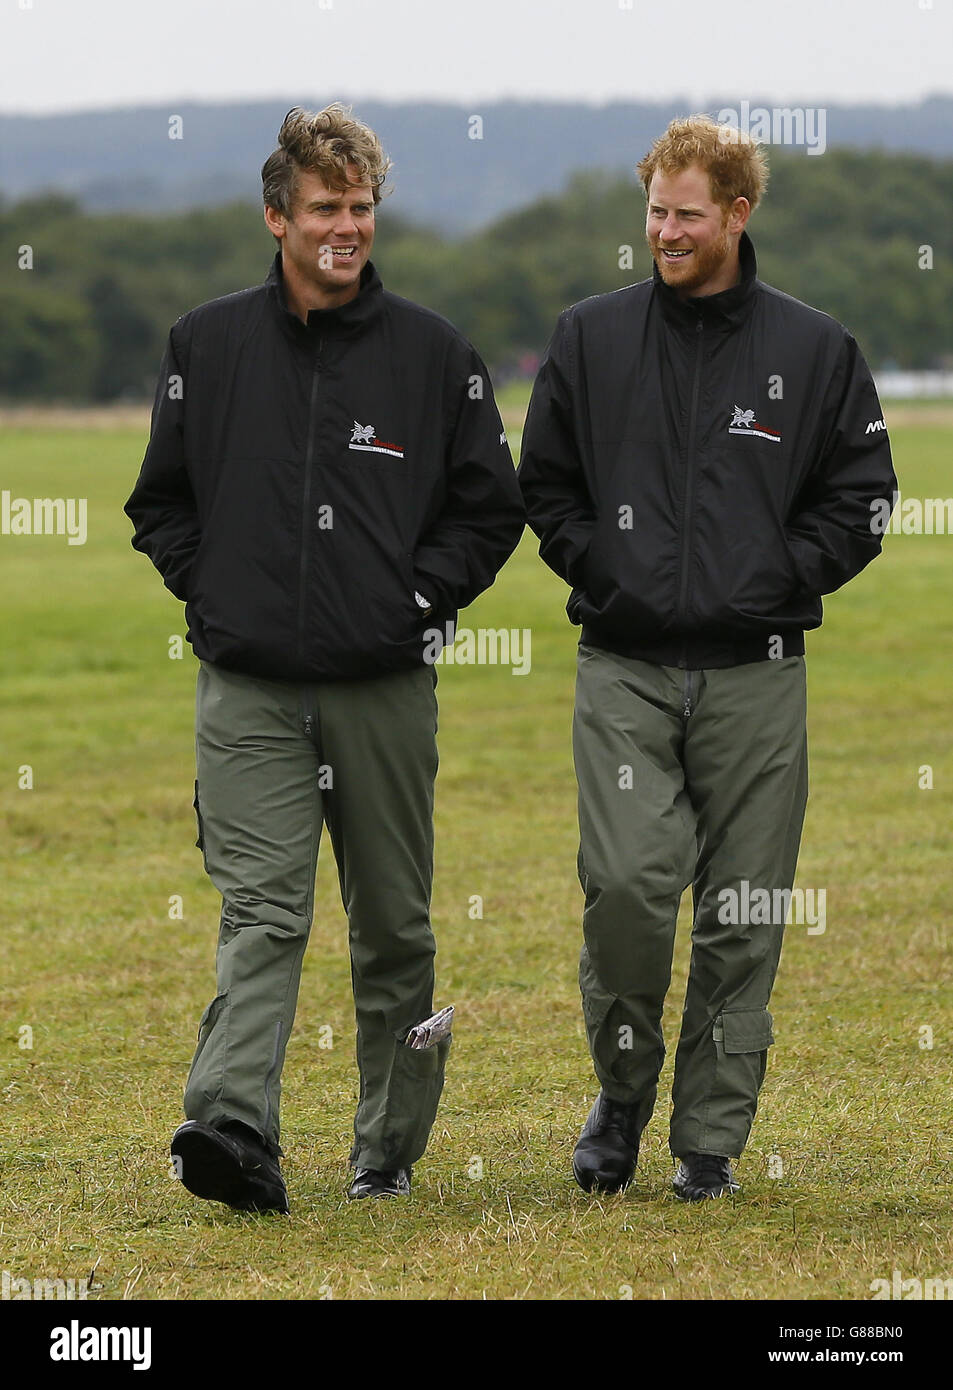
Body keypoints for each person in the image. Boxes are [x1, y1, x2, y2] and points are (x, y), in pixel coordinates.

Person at [125, 104, 524, 1211]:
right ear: (275, 216)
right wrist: (215, 593)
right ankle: (232, 1128)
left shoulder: (435, 353)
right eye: (323, 208)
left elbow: (489, 510)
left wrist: (411, 597)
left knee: (394, 922)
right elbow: (159, 503)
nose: (345, 226)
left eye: (361, 207)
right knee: (264, 910)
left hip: (383, 688)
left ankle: (386, 1148)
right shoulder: (202, 345)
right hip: (246, 687)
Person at [518, 115, 896, 1201]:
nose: (665, 231)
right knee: (629, 889)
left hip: (757, 670)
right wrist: (608, 572)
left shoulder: (814, 351)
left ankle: (708, 1142)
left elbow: (863, 496)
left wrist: (779, 577)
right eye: (653, 211)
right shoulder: (588, 338)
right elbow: (541, 483)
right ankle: (622, 1094)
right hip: (622, 664)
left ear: (736, 213)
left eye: (686, 214)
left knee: (744, 911)